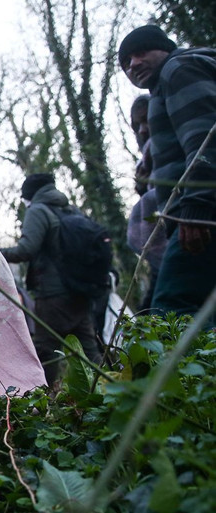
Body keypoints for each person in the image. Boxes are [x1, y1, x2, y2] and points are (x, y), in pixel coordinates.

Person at [118, 25, 216, 327]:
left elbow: (205, 139)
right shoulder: (166, 84)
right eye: (126, 62)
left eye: (141, 53)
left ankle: (185, 361)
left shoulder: (178, 70)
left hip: (201, 215)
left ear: (164, 49)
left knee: (171, 309)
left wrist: (196, 208)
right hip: (196, 213)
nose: (134, 64)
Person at [0, 174, 102, 385]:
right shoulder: (71, 210)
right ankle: (108, 394)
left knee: (45, 352)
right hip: (79, 290)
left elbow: (26, 250)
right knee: (89, 352)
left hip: (52, 295)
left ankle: (42, 398)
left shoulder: (38, 210)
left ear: (29, 194)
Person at [125, 94, 167, 313]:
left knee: (164, 308)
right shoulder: (147, 160)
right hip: (165, 251)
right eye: (137, 125)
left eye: (146, 120)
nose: (142, 130)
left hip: (184, 238)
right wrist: (142, 187)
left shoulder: (171, 148)